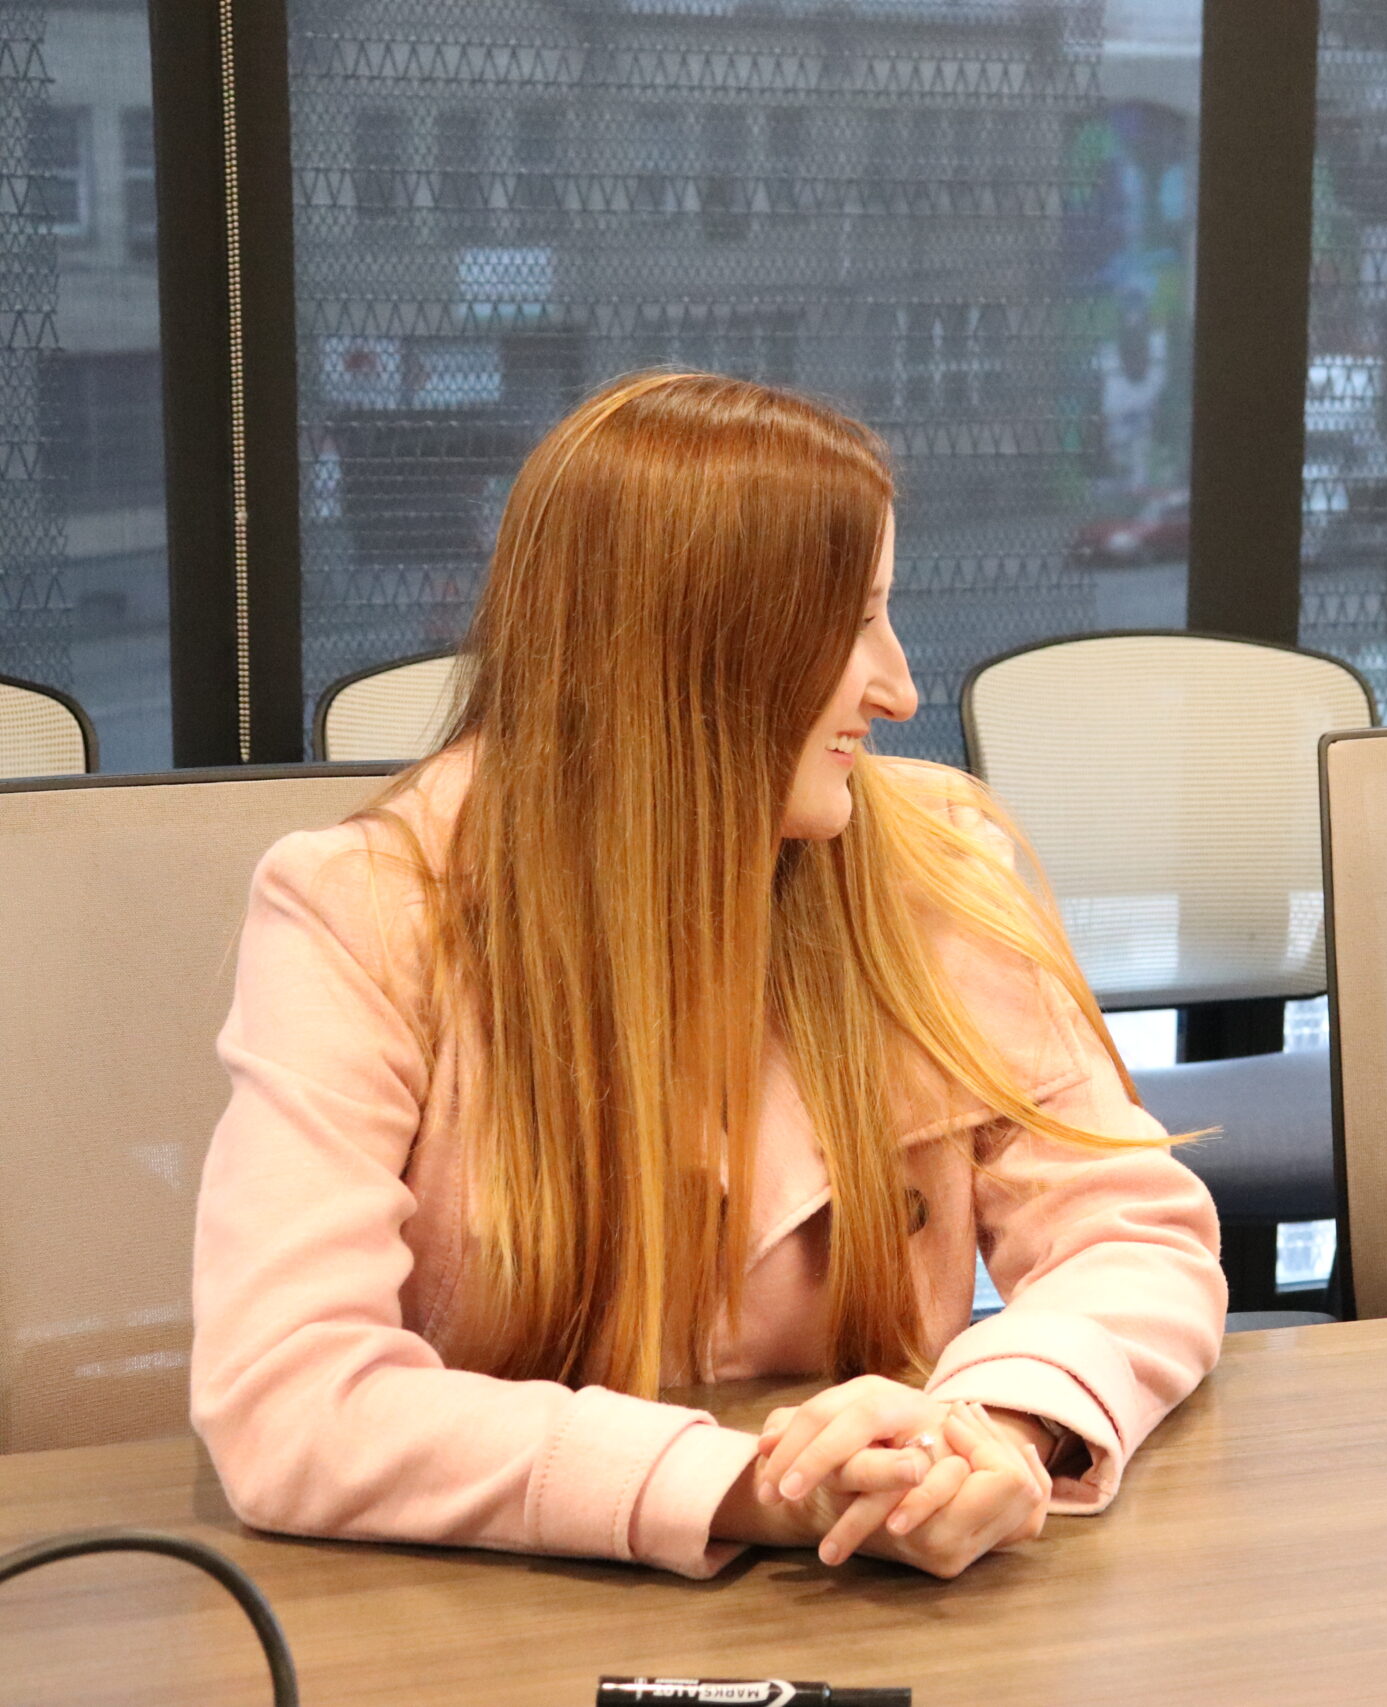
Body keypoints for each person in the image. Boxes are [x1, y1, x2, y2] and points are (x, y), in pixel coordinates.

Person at [192, 371, 1225, 1580]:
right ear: (697, 658)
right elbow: (291, 1394)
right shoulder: (364, 911)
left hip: (877, 1611)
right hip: (487, 1612)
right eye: (852, 625)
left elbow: (1133, 1235)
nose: (897, 687)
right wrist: (753, 1486)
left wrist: (999, 1423)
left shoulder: (938, 864)